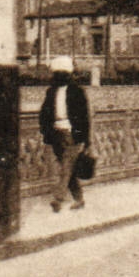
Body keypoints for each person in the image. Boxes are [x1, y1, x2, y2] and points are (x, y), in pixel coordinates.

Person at [38, 56, 91, 211]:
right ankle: (79, 199)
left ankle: (58, 199)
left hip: (73, 134)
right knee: (69, 169)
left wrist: (86, 140)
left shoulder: (77, 91)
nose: (59, 76)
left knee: (66, 167)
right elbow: (44, 113)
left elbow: (84, 116)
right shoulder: (51, 91)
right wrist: (46, 131)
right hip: (56, 134)